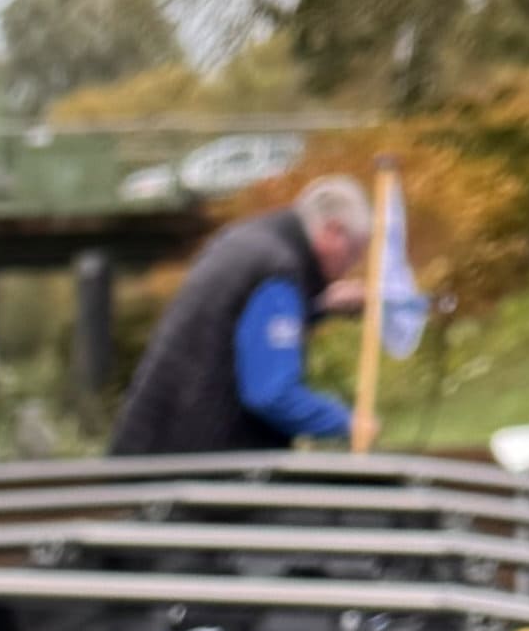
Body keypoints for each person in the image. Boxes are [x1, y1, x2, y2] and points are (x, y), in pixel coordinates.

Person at [107, 174, 371, 464]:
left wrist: (319, 307)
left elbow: (234, 330)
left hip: (150, 456)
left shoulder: (248, 243)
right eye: (354, 251)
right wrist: (348, 422)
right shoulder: (278, 271)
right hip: (192, 479)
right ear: (333, 233)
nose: (351, 266)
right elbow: (271, 394)